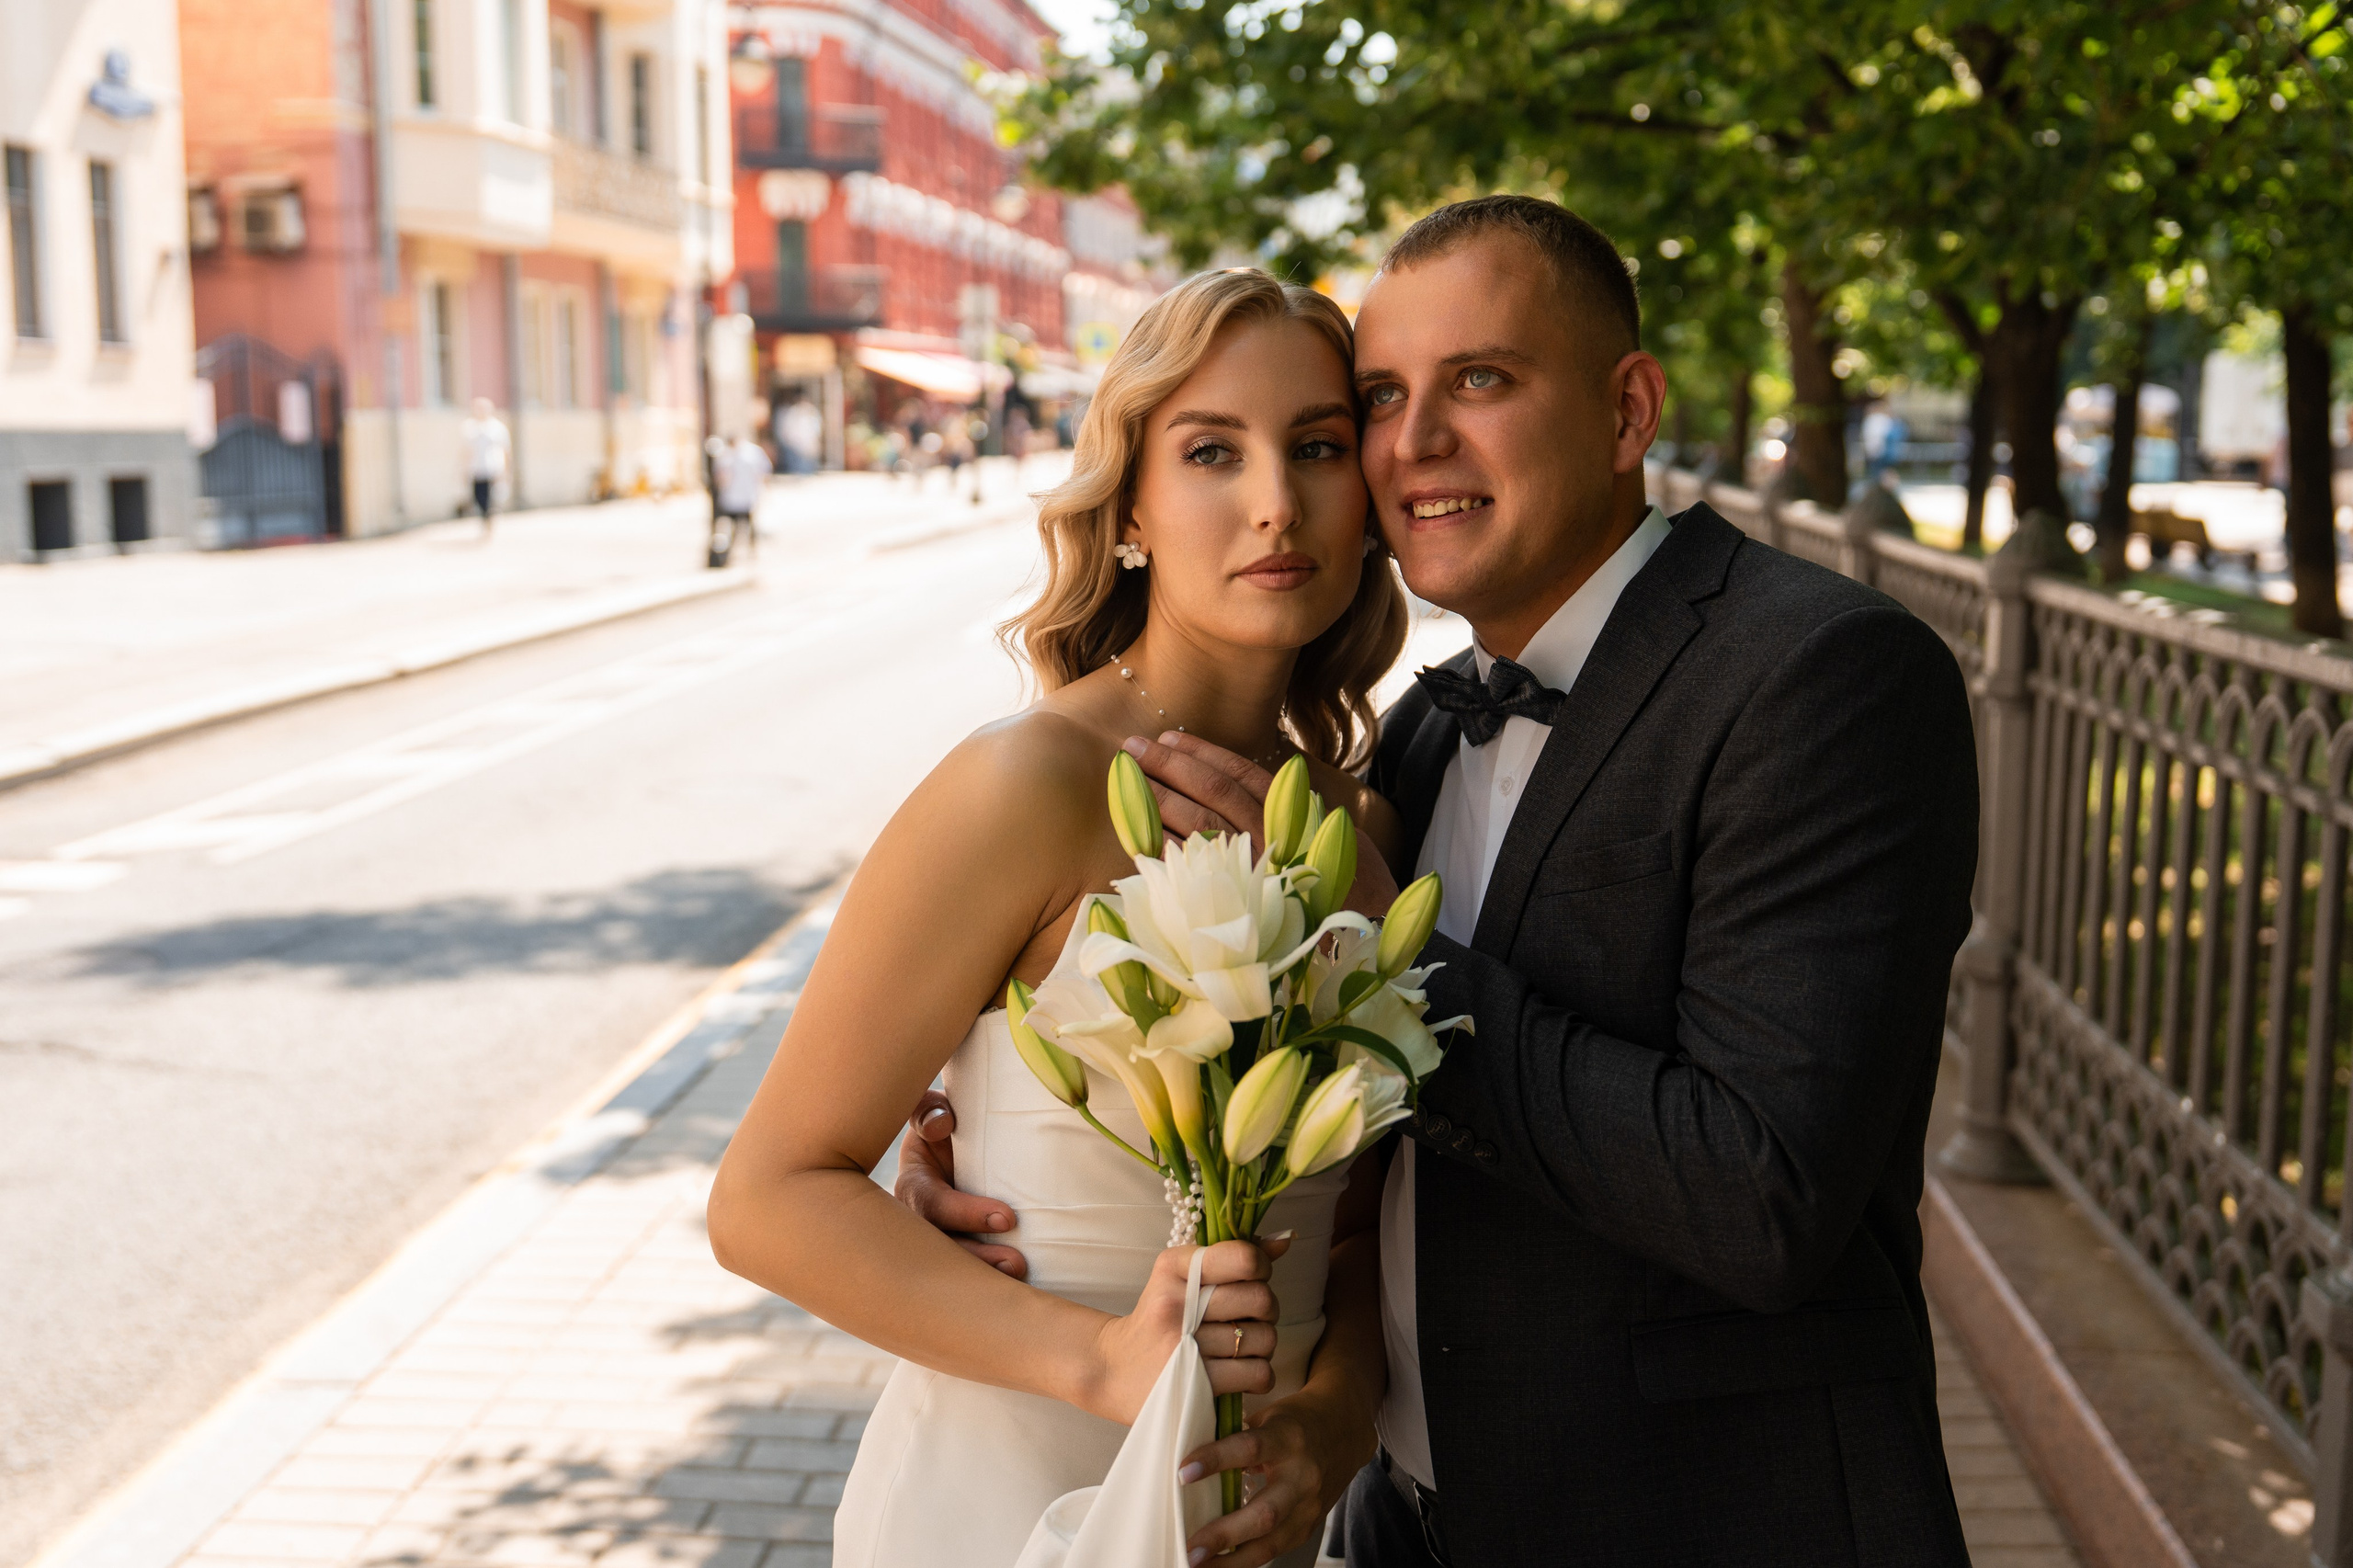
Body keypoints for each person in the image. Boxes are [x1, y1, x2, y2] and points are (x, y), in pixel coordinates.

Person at [903, 195, 1980, 1565]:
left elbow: (1762, 1193)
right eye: (1382, 398)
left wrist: (1385, 948)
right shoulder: (1416, 734)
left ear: (1628, 410)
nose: (1413, 441)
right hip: (1404, 1525)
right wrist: (1003, 1164)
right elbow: (1370, 1165)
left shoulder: (1821, 674)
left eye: (1480, 380)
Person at [706, 268, 1411, 1568]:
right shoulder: (1022, 785)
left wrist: (1334, 1416)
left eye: (1317, 446)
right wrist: (1097, 1360)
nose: (1275, 501)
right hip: (1004, 1504)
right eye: (1212, 451)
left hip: (1261, 1525)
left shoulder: (1360, 832)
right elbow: (766, 1196)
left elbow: (1370, 1224)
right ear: (1131, 504)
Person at [707, 430, 770, 567]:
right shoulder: (726, 454)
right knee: (732, 527)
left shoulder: (752, 452)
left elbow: (763, 471)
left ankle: (751, 551)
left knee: (749, 525)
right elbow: (719, 476)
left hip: (747, 496)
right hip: (731, 498)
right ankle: (734, 553)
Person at [460, 397, 511, 538]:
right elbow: (465, 451)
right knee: (478, 497)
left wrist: (507, 471)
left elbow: (506, 450)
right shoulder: (470, 428)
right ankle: (485, 520)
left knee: (490, 498)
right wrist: (464, 470)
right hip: (476, 469)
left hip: (493, 468)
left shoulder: (497, 427)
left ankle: (490, 521)